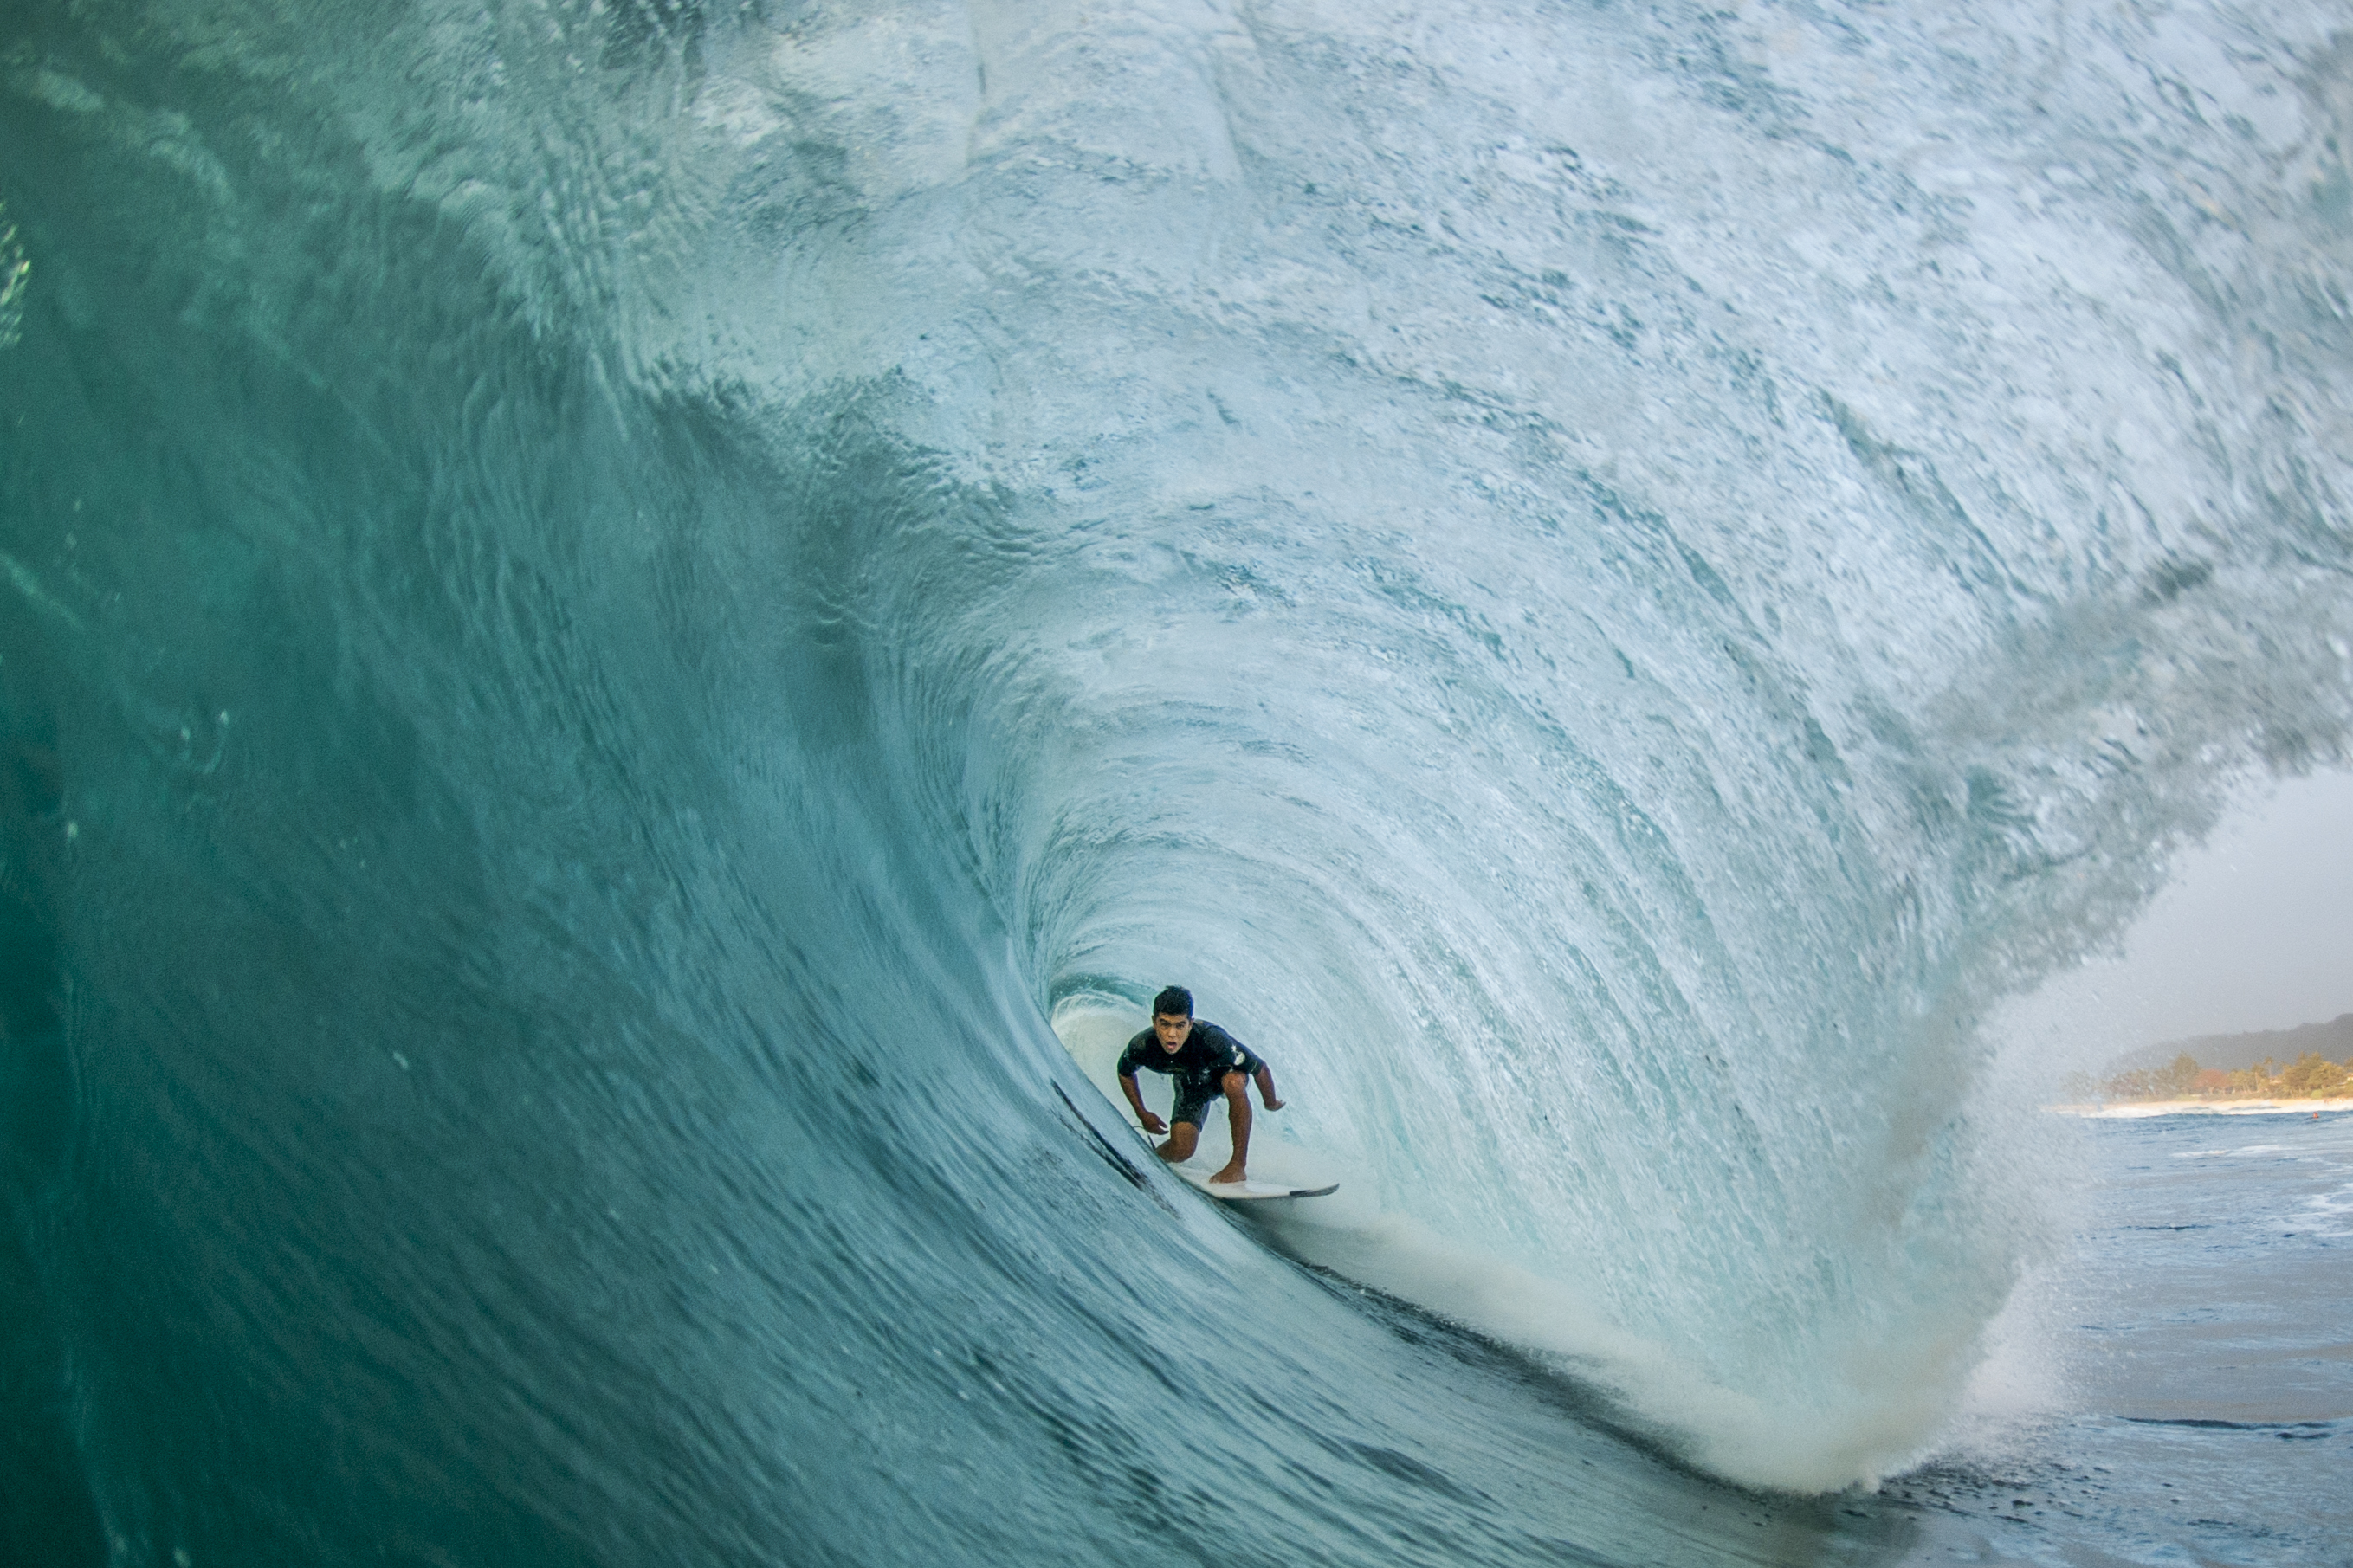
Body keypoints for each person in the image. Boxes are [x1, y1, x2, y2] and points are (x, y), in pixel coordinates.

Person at [1116, 985, 1283, 1184]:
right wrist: (1142, 1113)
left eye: (1180, 1026)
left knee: (1234, 1082)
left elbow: (1259, 1068)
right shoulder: (1143, 1046)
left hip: (1224, 1074)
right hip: (1192, 1084)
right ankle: (1148, 1164)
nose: (1172, 1034)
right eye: (1165, 1024)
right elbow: (1124, 1072)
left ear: (1190, 1024)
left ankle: (1237, 1166)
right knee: (1182, 1150)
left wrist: (1270, 1102)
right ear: (1154, 1022)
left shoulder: (1213, 1040)